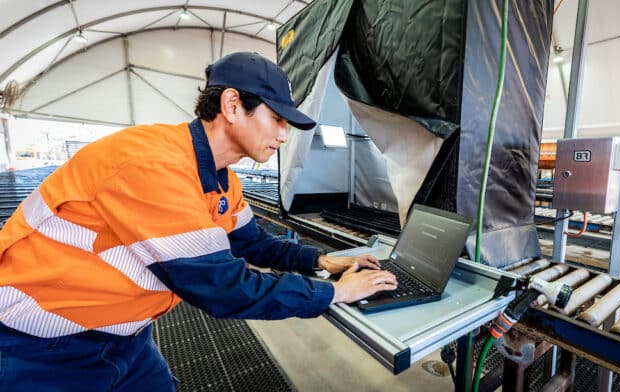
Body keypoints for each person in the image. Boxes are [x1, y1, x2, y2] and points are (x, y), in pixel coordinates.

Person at [0, 52, 397, 391]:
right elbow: (223, 286)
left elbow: (252, 242)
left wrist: (321, 261)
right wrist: (332, 294)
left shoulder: (224, 179)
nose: (283, 134)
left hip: (126, 333)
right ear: (231, 105)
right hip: (43, 344)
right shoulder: (153, 167)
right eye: (277, 119)